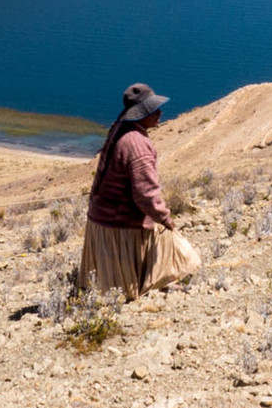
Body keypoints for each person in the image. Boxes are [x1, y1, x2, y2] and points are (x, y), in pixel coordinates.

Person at [80, 83, 201, 299]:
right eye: (153, 110)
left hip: (99, 218)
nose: (159, 113)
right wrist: (165, 219)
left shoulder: (119, 129)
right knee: (183, 254)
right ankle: (151, 282)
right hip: (120, 224)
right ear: (141, 114)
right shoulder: (137, 145)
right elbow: (145, 193)